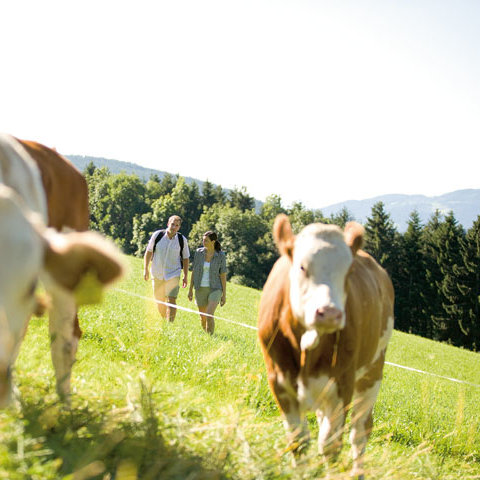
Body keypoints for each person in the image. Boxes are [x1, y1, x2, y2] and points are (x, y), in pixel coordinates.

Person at [144, 215, 190, 322]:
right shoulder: (158, 235)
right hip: (157, 273)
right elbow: (149, 251)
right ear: (168, 224)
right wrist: (145, 268)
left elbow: (186, 258)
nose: (174, 227)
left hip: (173, 274)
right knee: (159, 301)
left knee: (171, 299)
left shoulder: (182, 240)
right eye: (172, 224)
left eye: (177, 225)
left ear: (179, 228)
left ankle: (170, 323)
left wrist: (185, 275)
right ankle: (165, 319)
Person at [188, 231, 227, 334]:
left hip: (215, 288)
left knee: (209, 315)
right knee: (203, 317)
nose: (203, 242)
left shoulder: (221, 255)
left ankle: (211, 336)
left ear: (213, 241)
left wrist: (224, 295)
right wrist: (190, 289)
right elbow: (194, 271)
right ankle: (206, 336)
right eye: (203, 240)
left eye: (206, 240)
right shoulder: (199, 252)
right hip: (200, 288)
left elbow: (223, 275)